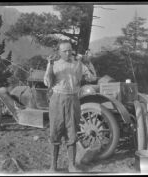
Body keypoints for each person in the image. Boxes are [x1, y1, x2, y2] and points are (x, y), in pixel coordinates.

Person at [44, 41, 96, 172]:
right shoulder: (53, 63)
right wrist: (50, 65)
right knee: (55, 132)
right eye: (65, 51)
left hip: (73, 99)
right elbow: (47, 82)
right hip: (57, 99)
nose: (68, 53)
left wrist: (88, 62)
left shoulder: (78, 63)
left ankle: (71, 166)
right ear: (59, 52)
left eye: (70, 50)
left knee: (72, 132)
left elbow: (92, 78)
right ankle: (53, 166)